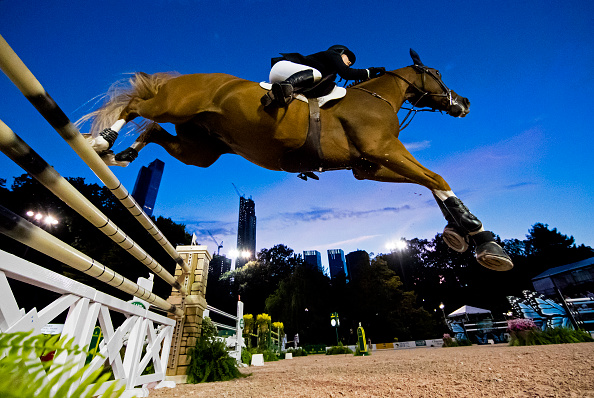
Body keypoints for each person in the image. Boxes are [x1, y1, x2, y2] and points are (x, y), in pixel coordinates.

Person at [261, 45, 385, 107]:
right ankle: (281, 89)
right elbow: (347, 73)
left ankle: (284, 92)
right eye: (349, 58)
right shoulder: (332, 54)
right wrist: (369, 72)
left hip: (287, 75)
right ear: (340, 52)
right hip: (282, 68)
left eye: (351, 62)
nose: (350, 62)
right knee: (316, 74)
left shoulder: (327, 72)